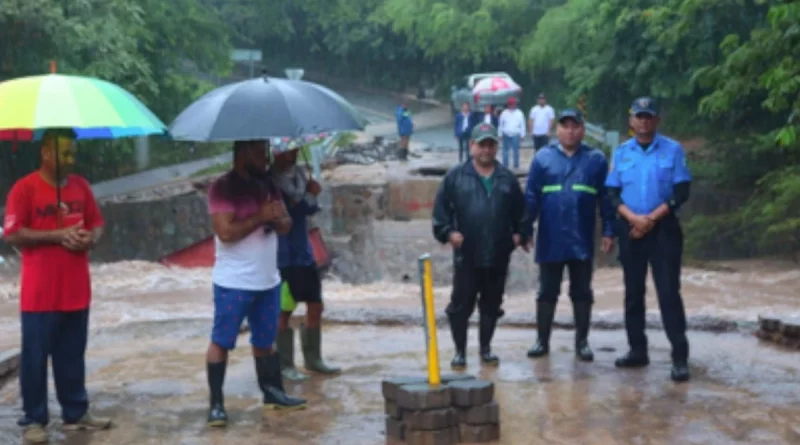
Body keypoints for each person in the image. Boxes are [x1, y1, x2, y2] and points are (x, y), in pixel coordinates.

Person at [2, 130, 112, 444]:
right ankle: (34, 420)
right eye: (64, 153)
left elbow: (98, 223)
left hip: (77, 290)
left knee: (72, 356)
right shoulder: (24, 189)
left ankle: (76, 414)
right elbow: (12, 233)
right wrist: (57, 235)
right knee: (34, 359)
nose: (70, 159)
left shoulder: (81, 187)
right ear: (46, 153)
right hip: (40, 294)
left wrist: (91, 238)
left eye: (72, 153)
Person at [205, 140, 306, 427]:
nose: (266, 157)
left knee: (265, 341)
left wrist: (279, 219)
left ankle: (273, 394)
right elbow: (225, 232)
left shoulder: (269, 185)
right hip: (234, 281)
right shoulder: (222, 188)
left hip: (267, 279)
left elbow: (285, 225)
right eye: (260, 151)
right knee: (221, 341)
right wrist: (260, 216)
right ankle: (216, 405)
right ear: (243, 153)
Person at [605, 97, 692, 382]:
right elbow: (612, 194)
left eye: (648, 116)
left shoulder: (672, 150)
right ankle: (637, 350)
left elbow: (681, 192)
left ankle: (679, 357)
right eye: (638, 116)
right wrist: (633, 219)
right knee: (633, 293)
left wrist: (651, 219)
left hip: (663, 230)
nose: (643, 121)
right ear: (631, 121)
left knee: (668, 293)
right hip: (631, 231)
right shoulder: (621, 153)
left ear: (656, 121)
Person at [432, 123, 528, 369]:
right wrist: (449, 233)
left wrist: (519, 235)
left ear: (496, 147)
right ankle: (460, 351)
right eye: (481, 144)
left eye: (490, 144)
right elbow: (440, 215)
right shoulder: (455, 177)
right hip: (467, 255)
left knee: (492, 304)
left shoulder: (507, 178)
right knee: (460, 306)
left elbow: (522, 214)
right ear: (471, 146)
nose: (486, 149)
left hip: (497, 254)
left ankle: (485, 349)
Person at [523, 110, 615, 362]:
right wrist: (524, 229)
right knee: (547, 291)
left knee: (582, 292)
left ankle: (582, 343)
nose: (571, 131)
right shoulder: (543, 158)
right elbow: (531, 197)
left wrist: (609, 230)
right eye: (565, 126)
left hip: (582, 237)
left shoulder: (595, 159)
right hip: (550, 236)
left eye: (575, 126)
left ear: (583, 130)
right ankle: (542, 341)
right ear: (557, 130)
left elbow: (606, 199)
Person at [271, 148, 340, 382]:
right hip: (281, 256)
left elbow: (308, 209)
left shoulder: (300, 175)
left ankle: (313, 359)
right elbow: (290, 212)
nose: (294, 154)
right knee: (284, 310)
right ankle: (285, 364)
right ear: (276, 153)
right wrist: (309, 196)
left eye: (295, 150)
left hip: (303, 253)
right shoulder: (270, 182)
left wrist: (312, 195)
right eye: (288, 151)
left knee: (315, 305)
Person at [498, 97, 526, 169]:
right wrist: (500, 134)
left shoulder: (519, 113)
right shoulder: (504, 113)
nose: (512, 105)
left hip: (515, 133)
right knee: (505, 150)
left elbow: (522, 124)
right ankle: (505, 165)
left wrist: (522, 135)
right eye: (510, 104)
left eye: (513, 104)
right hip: (506, 133)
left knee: (516, 150)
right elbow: (501, 124)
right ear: (508, 105)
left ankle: (516, 165)